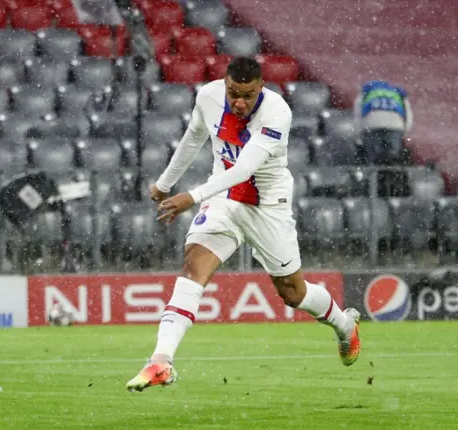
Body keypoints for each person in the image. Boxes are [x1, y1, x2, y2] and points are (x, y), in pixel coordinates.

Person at [126, 57, 361, 393]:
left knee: (292, 292)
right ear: (224, 83)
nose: (239, 102)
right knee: (193, 269)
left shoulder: (277, 113)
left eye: (247, 95)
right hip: (223, 198)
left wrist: (189, 196)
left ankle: (344, 326)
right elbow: (194, 138)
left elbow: (244, 170)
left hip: (267, 206)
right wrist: (165, 183)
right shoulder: (208, 97)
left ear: (260, 88)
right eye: (234, 93)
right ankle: (160, 360)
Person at [353, 80, 413, 165]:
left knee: (373, 157)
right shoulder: (397, 92)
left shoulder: (366, 92)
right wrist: (405, 131)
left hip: (372, 124)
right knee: (393, 156)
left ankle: (373, 171)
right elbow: (408, 113)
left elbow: (357, 113)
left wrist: (358, 135)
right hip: (395, 125)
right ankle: (392, 171)